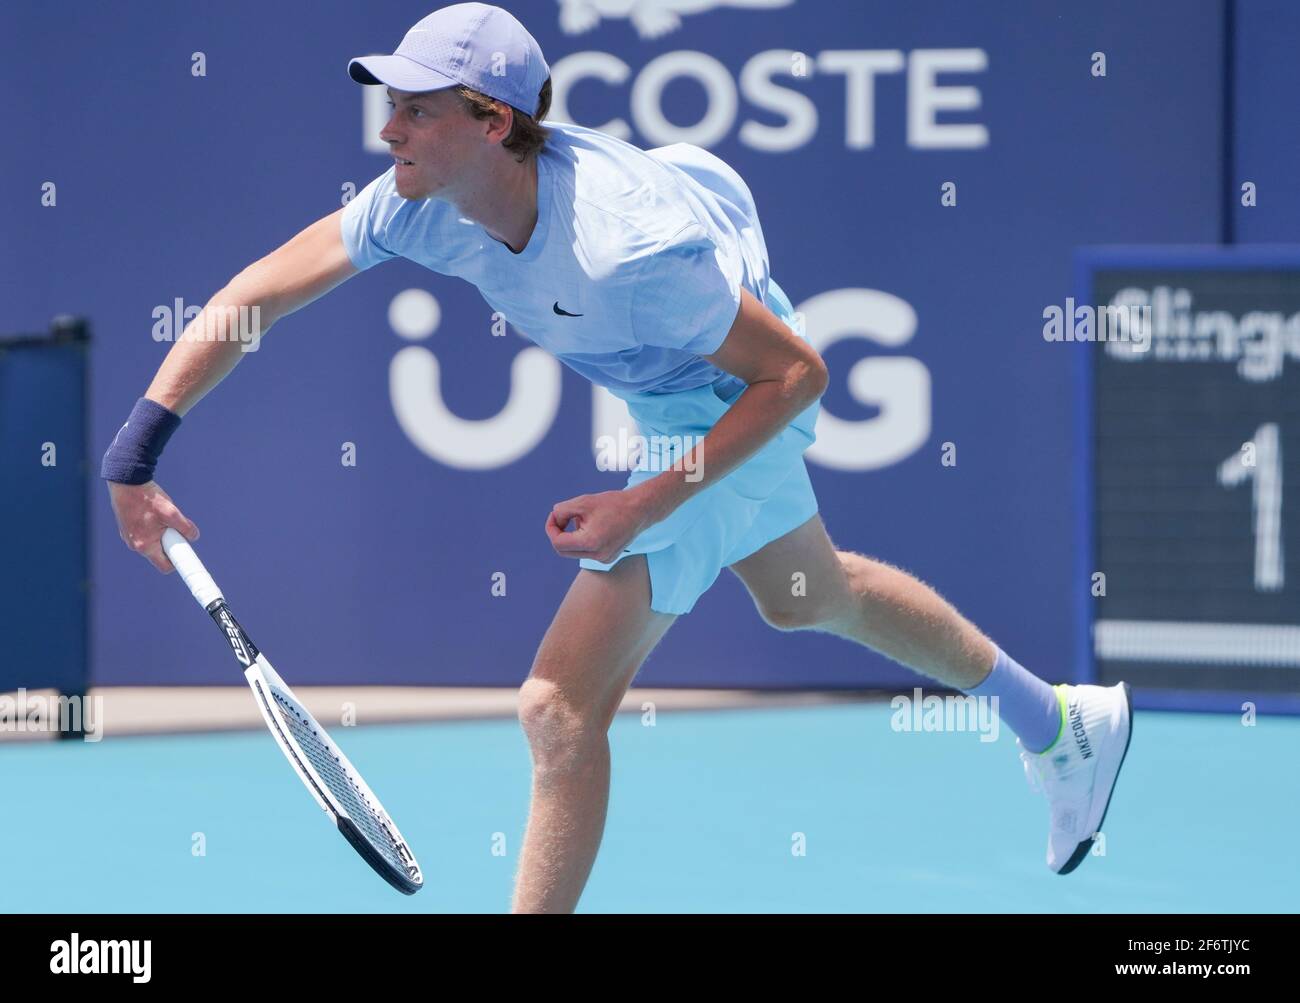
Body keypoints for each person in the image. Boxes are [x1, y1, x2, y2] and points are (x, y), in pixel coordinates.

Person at [102, 3, 1133, 913]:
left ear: (492, 122)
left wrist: (645, 503)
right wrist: (137, 450)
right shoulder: (417, 202)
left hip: (732, 392)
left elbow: (798, 377)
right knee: (806, 594)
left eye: (416, 108)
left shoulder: (626, 252)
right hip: (672, 376)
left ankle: (1052, 724)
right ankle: (1056, 721)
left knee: (557, 706)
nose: (389, 129)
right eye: (391, 104)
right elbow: (260, 293)